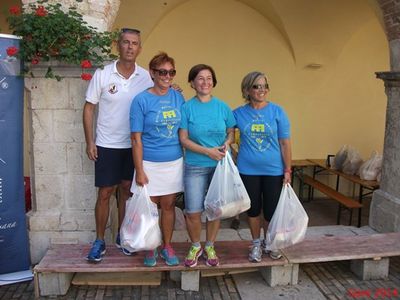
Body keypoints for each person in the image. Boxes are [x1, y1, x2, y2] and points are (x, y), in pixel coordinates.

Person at [83, 28, 153, 262]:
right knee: (105, 193)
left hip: (134, 146)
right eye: (126, 42)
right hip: (106, 144)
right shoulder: (103, 73)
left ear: (139, 48)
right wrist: (90, 141)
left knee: (127, 191)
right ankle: (100, 240)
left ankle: (123, 237)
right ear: (118, 46)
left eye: (135, 43)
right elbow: (89, 107)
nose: (130, 47)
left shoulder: (146, 77)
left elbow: (157, 97)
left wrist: (173, 90)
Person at [130, 52, 185, 267]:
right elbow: (136, 138)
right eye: (162, 72)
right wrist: (140, 170)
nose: (167, 76)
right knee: (150, 208)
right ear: (152, 73)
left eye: (171, 72)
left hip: (173, 162)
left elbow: (186, 128)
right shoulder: (141, 100)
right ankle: (151, 246)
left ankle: (167, 245)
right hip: (149, 163)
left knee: (169, 205)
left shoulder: (178, 97)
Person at [179, 64, 236, 267]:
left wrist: (228, 142)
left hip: (219, 167)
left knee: (215, 210)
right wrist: (207, 151)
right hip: (195, 166)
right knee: (193, 211)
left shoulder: (223, 107)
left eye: (209, 78)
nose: (205, 82)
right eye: (200, 78)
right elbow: (183, 140)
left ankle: (210, 245)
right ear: (192, 83)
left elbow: (231, 130)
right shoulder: (186, 108)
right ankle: (196, 245)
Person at [233, 71, 292, 263]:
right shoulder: (238, 113)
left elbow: (285, 143)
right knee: (253, 209)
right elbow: (221, 127)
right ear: (247, 90)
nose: (261, 90)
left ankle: (270, 242)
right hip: (247, 170)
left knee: (271, 210)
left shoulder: (277, 111)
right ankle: (256, 243)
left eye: (264, 86)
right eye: (257, 86)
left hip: (273, 170)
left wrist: (288, 170)